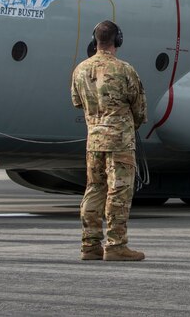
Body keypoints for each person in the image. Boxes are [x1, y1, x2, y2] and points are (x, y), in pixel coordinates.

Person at [71, 20, 147, 262]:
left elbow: (77, 102)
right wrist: (128, 124)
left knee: (94, 189)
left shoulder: (80, 69)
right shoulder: (124, 70)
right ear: (118, 40)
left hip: (94, 139)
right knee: (119, 191)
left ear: (95, 40)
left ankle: (89, 245)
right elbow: (140, 109)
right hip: (120, 140)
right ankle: (116, 245)